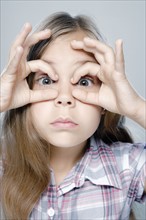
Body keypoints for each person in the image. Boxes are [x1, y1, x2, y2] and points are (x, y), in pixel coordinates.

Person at [0, 12, 145, 220]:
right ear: (25, 92)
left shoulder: (127, 167)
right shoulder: (7, 162)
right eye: (47, 80)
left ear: (105, 102)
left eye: (84, 81)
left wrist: (136, 107)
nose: (65, 98)